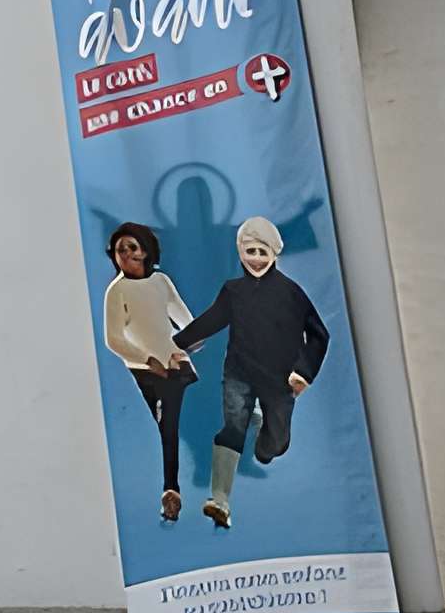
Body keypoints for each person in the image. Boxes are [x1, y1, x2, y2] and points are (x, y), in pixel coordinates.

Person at [172, 216, 330, 531]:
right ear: (240, 253)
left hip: (280, 379)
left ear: (274, 254)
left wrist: (303, 373)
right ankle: (220, 501)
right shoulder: (233, 291)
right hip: (239, 372)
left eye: (262, 252)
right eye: (249, 251)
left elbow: (319, 335)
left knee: (274, 446)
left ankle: (266, 437)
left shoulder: (291, 293)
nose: (255, 259)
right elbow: (211, 320)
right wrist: (177, 344)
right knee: (232, 426)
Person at [100, 222, 195, 520]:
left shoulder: (161, 282)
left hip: (173, 365)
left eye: (132, 247)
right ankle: (171, 487)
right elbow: (113, 338)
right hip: (144, 369)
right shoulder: (117, 291)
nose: (126, 254)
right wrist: (146, 358)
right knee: (164, 424)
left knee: (171, 423)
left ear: (145, 250)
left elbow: (184, 318)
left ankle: (172, 489)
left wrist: (187, 345)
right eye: (120, 250)